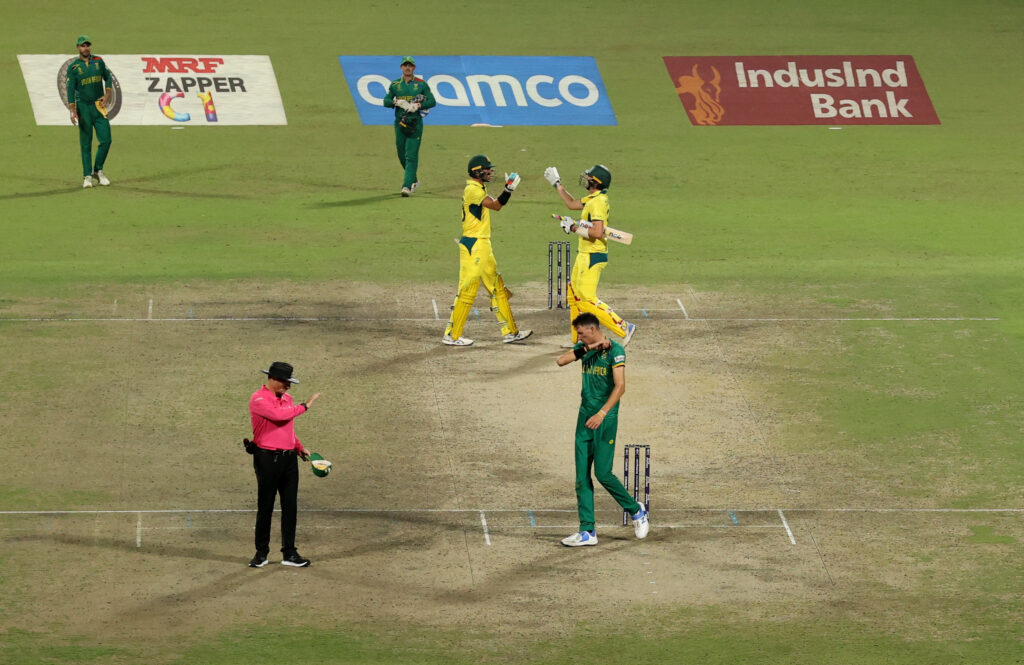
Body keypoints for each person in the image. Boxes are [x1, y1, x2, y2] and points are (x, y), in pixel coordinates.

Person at [555, 313, 648, 546]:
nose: (579, 337)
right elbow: (561, 361)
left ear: (593, 329)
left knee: (603, 473)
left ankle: (636, 510)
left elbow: (620, 387)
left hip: (605, 419)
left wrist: (602, 413)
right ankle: (587, 531)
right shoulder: (584, 348)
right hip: (584, 418)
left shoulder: (616, 351)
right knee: (581, 477)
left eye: (581, 333)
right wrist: (589, 347)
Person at [443, 155, 532, 347]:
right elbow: (496, 206)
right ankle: (452, 335)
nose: (490, 172)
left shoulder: (479, 188)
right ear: (477, 171)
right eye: (487, 169)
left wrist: (508, 190)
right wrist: (508, 190)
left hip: (483, 245)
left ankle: (511, 332)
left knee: (497, 287)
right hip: (474, 246)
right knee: (468, 289)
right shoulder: (472, 190)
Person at [544, 164, 636, 347]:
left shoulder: (598, 203)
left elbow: (597, 232)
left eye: (588, 178)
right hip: (584, 254)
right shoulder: (593, 199)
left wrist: (573, 228)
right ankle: (580, 341)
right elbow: (571, 204)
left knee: (586, 299)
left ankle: (625, 327)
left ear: (596, 182)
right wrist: (557, 184)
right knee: (573, 296)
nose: (585, 179)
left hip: (593, 256)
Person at [247, 362, 321, 568]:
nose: (288, 387)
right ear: (273, 379)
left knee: (290, 507)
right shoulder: (259, 399)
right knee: (266, 506)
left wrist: (299, 446)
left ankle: (290, 553)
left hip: (289, 460)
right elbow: (279, 417)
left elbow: (288, 427)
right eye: (285, 382)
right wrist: (305, 406)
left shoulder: (287, 399)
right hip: (267, 459)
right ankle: (261, 553)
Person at [382, 56, 436, 197]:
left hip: (415, 124)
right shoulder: (395, 85)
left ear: (414, 68)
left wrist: (418, 105)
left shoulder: (421, 84)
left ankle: (406, 186)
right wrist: (396, 102)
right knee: (401, 154)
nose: (408, 68)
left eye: (410, 65)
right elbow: (386, 101)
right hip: (400, 124)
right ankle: (413, 180)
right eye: (405, 65)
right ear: (401, 67)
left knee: (411, 155)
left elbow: (432, 101)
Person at [66, 35, 113, 189]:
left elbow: (108, 78)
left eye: (87, 45)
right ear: (78, 48)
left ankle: (98, 170)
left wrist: (107, 94)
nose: (86, 48)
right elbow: (70, 90)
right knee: (86, 143)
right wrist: (72, 110)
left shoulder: (99, 61)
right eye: (82, 46)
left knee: (106, 140)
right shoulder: (73, 68)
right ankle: (87, 176)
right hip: (83, 107)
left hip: (98, 106)